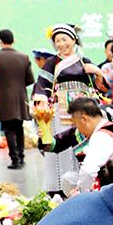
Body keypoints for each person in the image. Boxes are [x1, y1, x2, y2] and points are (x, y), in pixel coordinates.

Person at [32, 24, 101, 195]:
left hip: (83, 108)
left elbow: (101, 86)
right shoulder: (52, 62)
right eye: (57, 40)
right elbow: (42, 85)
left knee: (81, 143)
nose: (61, 44)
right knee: (60, 143)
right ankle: (58, 186)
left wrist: (97, 72)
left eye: (64, 39)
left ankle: (82, 183)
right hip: (61, 108)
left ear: (73, 39)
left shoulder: (84, 60)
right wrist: (41, 102)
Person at [38, 97, 113, 196]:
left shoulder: (101, 136)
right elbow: (60, 142)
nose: (77, 129)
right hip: (105, 184)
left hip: (109, 188)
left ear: (84, 119)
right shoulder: (103, 127)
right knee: (68, 178)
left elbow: (88, 171)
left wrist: (81, 194)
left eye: (76, 124)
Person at [0, 29, 35, 169]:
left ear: (0, 40)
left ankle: (15, 160)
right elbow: (30, 79)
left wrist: (0, 86)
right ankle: (21, 156)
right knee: (18, 128)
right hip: (20, 97)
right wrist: (18, 86)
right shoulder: (24, 57)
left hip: (4, 98)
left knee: (8, 129)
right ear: (13, 40)